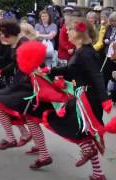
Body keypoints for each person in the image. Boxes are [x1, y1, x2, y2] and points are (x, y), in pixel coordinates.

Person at [44, 17, 111, 180]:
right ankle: (98, 174)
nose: (66, 31)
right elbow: (69, 69)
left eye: (70, 29)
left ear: (80, 33)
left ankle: (89, 152)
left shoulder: (87, 53)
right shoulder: (80, 51)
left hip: (88, 100)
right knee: (82, 134)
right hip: (82, 97)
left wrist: (105, 99)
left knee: (62, 121)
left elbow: (97, 75)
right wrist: (50, 71)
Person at [0, 20, 53, 169]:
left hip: (29, 87)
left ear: (10, 34)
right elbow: (15, 64)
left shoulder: (23, 44)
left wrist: (43, 74)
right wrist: (0, 72)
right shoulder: (15, 44)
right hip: (21, 84)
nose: (0, 37)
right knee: (30, 120)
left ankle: (14, 138)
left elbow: (39, 64)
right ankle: (41, 151)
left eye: (2, 34)